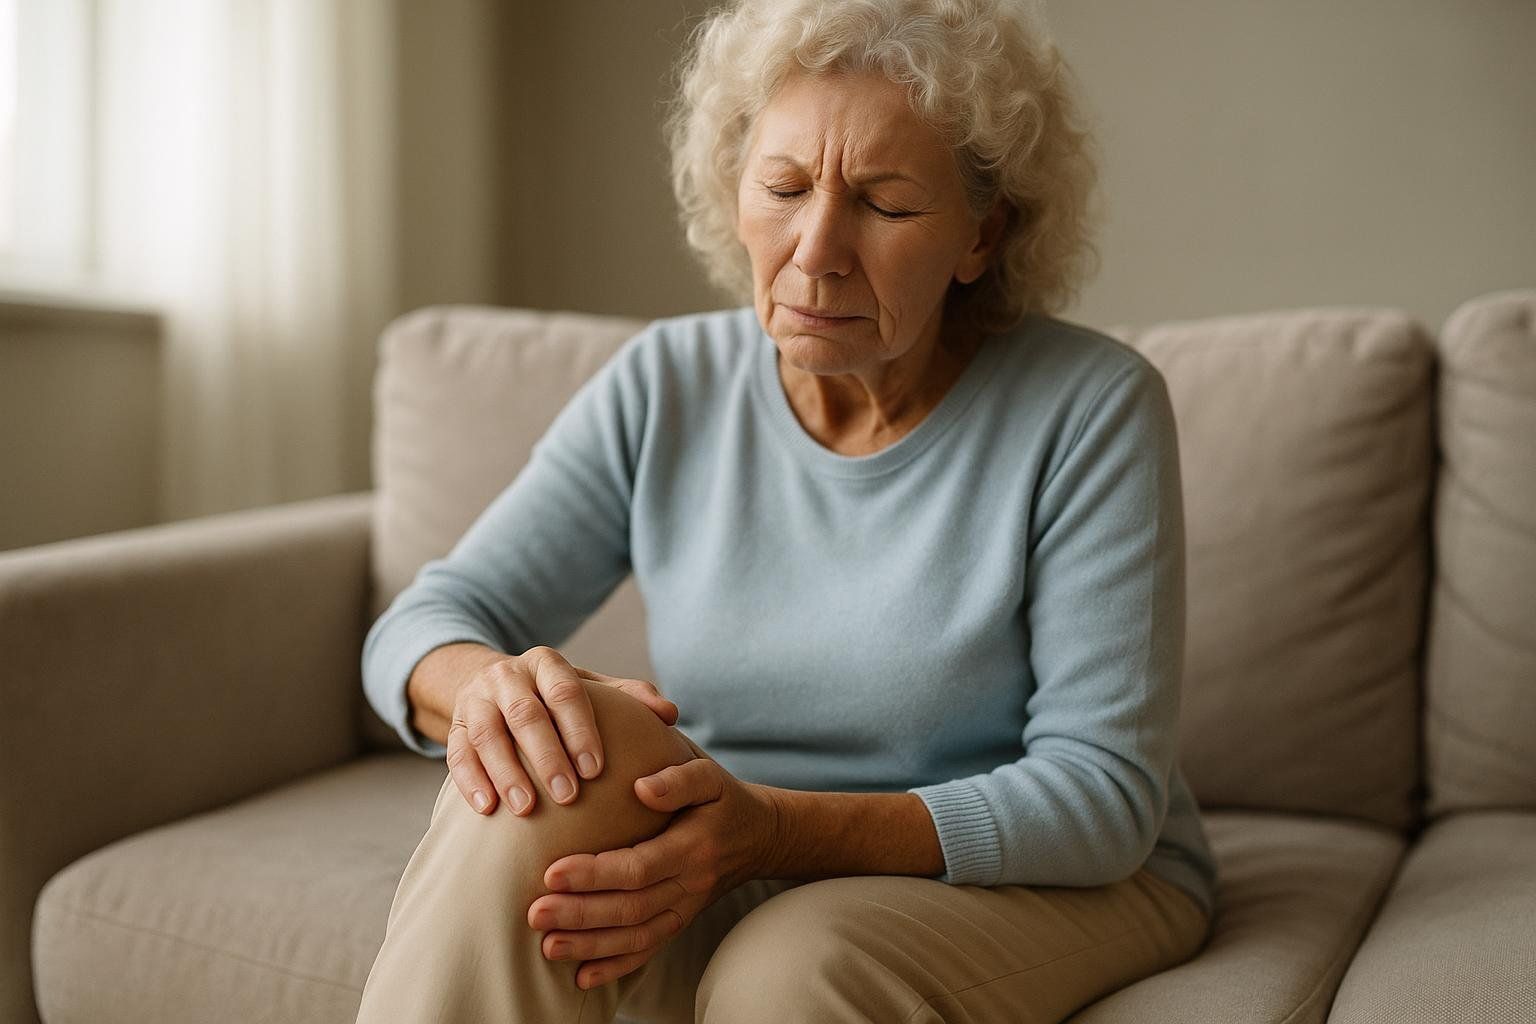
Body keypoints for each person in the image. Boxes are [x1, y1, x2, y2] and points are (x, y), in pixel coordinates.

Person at [354, 0, 1219, 1020]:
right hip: (718, 851)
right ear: (736, 195)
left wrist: (771, 829)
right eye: (784, 187)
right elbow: (417, 626)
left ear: (981, 235)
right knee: (553, 746)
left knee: (789, 974)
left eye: (886, 205)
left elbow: (1099, 799)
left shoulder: (1090, 409)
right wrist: (495, 693)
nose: (816, 250)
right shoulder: (665, 386)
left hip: (1048, 877)